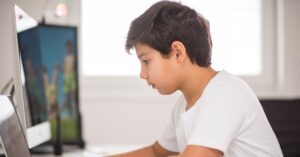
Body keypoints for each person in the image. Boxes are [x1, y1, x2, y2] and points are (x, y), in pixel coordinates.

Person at [107, 1, 283, 157]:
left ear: (178, 52)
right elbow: (155, 152)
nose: (142, 74)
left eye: (146, 61)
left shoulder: (225, 92)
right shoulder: (183, 107)